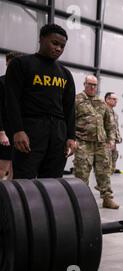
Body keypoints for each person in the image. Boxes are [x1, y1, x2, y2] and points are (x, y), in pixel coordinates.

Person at [5, 24, 76, 179]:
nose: (58, 49)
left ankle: (48, 205)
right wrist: (17, 130)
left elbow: (70, 108)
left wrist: (71, 137)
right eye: (55, 43)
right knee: (25, 178)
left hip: (58, 132)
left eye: (62, 46)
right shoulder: (21, 64)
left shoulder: (65, 74)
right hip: (30, 129)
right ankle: (23, 205)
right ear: (41, 39)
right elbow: (11, 101)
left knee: (53, 180)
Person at [74, 75, 119, 209]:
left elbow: (109, 124)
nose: (93, 87)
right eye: (90, 84)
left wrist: (111, 139)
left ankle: (107, 198)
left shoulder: (101, 103)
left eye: (95, 85)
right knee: (82, 172)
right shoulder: (77, 100)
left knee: (104, 172)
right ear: (84, 84)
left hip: (101, 143)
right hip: (83, 142)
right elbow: (69, 121)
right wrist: (71, 140)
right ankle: (80, 200)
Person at [0, 52, 22, 179]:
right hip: (5, 131)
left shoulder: (22, 84)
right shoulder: (2, 82)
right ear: (7, 63)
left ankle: (10, 197)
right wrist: (1, 132)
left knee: (16, 168)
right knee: (3, 168)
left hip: (18, 132)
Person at [105, 92, 122, 174]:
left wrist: (116, 140)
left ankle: (106, 185)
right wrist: (107, 141)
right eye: (114, 99)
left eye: (116, 99)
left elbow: (115, 128)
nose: (116, 101)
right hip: (105, 143)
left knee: (112, 165)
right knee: (105, 166)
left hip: (113, 143)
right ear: (107, 99)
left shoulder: (115, 114)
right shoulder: (103, 110)